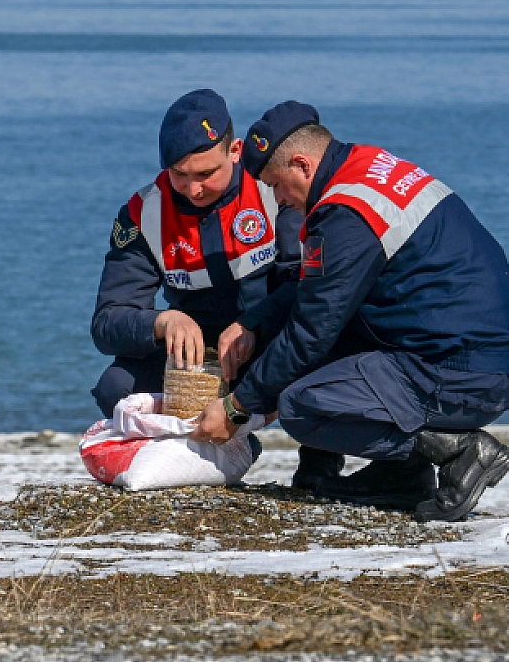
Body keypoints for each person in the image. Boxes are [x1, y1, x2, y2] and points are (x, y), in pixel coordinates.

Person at [191, 101, 509, 523]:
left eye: (276, 185)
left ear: (302, 164)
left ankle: (459, 451)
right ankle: (400, 477)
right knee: (324, 341)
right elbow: (321, 285)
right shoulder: (367, 167)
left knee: (302, 406)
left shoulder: (345, 213)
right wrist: (254, 322)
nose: (278, 199)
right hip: (477, 353)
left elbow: (310, 333)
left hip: (462, 372)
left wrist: (238, 407)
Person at [89, 89, 344, 490]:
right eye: (180, 174)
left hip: (270, 340)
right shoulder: (143, 213)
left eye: (206, 174)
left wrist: (254, 324)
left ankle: (320, 461)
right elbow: (107, 322)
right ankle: (213, 454)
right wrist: (162, 321)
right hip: (196, 361)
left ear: (236, 150)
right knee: (115, 387)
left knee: (326, 342)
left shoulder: (274, 189)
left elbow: (312, 286)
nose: (193, 189)